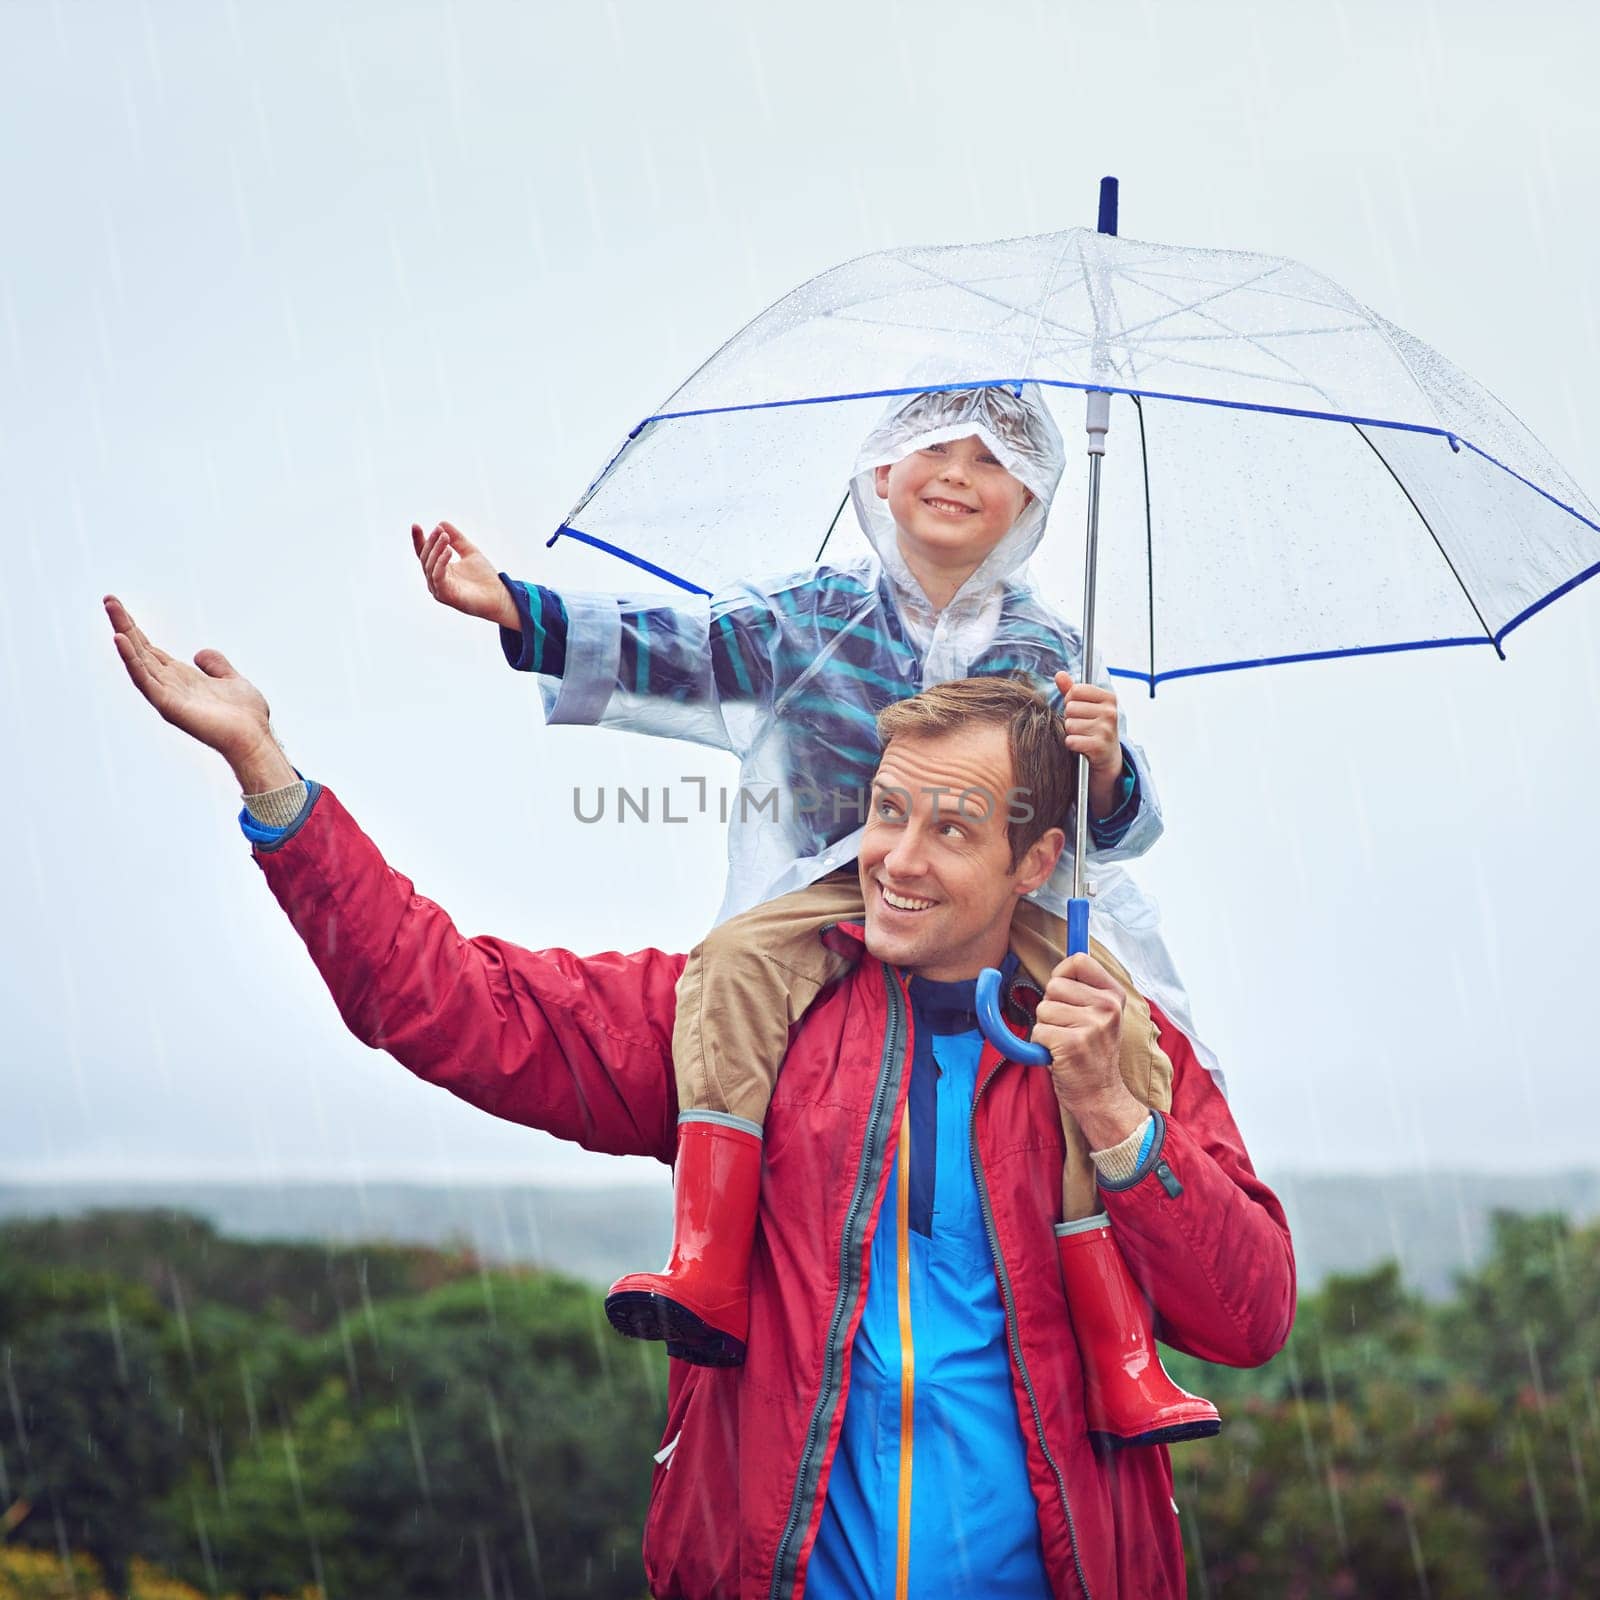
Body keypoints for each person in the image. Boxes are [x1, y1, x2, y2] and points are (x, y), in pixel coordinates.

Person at [106, 595, 1295, 1600]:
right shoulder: (748, 1015)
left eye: (953, 828)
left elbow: (1248, 1317)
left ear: (1036, 863)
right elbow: (452, 1005)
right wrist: (273, 783)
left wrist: (1118, 1127)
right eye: (887, 810)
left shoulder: (1118, 1048)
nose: (898, 857)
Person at [411, 385, 1212, 1393]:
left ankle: (1124, 1354)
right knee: (735, 965)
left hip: (1013, 902)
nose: (958, 473)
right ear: (881, 474)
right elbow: (691, 645)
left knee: (1120, 1028)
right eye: (933, 449)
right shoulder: (813, 616)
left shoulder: (1050, 654)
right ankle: (708, 1262)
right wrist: (520, 608)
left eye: (994, 460)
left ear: (1033, 501)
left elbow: (1110, 829)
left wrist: (1102, 760)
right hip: (843, 881)